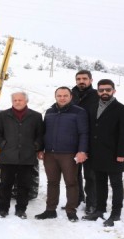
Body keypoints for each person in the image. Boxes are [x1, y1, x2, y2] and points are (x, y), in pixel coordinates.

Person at [82, 79, 124, 227]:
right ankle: (99, 210)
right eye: (101, 90)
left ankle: (116, 213)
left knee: (116, 184)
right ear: (97, 92)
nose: (104, 92)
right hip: (96, 154)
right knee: (100, 183)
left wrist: (121, 154)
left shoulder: (122, 109)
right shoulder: (92, 107)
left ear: (113, 91)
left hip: (114, 155)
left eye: (108, 90)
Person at [35, 86, 88, 222]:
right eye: (59, 96)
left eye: (65, 95)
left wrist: (82, 151)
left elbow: (84, 133)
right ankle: (50, 210)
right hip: (50, 154)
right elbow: (43, 132)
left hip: (69, 154)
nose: (62, 98)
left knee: (71, 182)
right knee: (52, 182)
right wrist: (40, 149)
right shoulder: (49, 112)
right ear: (55, 96)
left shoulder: (79, 112)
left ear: (70, 97)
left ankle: (71, 210)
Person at [0, 92, 43, 219]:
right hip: (8, 156)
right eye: (15, 100)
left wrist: (35, 146)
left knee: (24, 185)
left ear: (26, 101)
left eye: (20, 100)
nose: (17, 102)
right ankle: (3, 209)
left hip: (27, 157)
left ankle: (21, 209)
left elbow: (41, 134)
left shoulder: (35, 116)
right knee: (5, 184)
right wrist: (3, 144)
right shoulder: (3, 115)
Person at [71, 70, 99, 214]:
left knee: (90, 174)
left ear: (91, 80)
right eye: (78, 79)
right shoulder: (71, 95)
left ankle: (91, 203)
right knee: (74, 173)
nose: (81, 81)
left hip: (91, 141)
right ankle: (77, 199)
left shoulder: (96, 96)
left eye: (84, 79)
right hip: (73, 140)